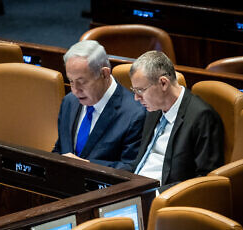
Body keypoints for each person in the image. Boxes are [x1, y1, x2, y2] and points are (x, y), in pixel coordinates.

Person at [129, 50, 224, 192]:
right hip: (135, 187)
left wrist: (155, 195)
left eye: (140, 90)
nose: (136, 98)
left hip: (166, 198)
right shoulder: (154, 109)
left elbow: (204, 180)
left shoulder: (202, 117)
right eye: (134, 90)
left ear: (163, 83)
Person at [52, 40, 146, 171]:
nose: (75, 90)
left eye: (82, 82)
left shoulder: (136, 114)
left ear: (104, 74)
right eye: (71, 81)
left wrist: (86, 165)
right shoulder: (69, 102)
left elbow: (131, 168)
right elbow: (60, 150)